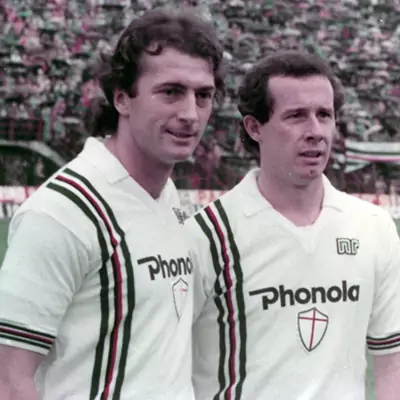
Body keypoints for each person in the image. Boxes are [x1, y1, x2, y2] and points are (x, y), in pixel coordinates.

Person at [0, 7, 224, 400]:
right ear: (121, 98)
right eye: (170, 92)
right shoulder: (62, 213)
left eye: (203, 95)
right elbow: (9, 380)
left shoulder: (166, 196)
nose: (191, 114)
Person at [184, 50, 400, 400]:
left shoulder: (373, 227)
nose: (315, 131)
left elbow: (392, 362)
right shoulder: (205, 236)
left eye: (324, 115)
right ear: (255, 127)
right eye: (297, 116)